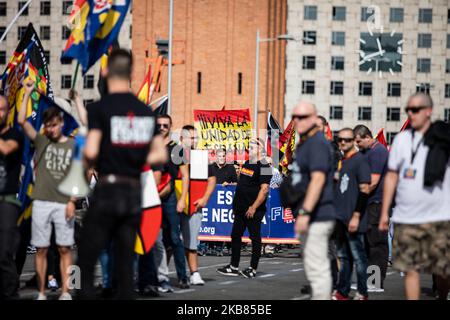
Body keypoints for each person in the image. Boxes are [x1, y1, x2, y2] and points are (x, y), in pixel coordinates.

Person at [77, 49, 167, 299]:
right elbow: (160, 155)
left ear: (105, 72)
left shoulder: (99, 109)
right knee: (125, 257)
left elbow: (92, 150)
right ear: (130, 73)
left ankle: (85, 294)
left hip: (108, 189)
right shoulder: (145, 111)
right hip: (133, 191)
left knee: (88, 249)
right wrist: (135, 158)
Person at [379, 93, 450, 300]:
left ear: (428, 111)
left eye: (416, 110)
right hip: (406, 216)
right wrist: (385, 212)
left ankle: (443, 294)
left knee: (443, 271)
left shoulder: (444, 138)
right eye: (408, 110)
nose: (411, 114)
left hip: (439, 216)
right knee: (411, 270)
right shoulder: (401, 139)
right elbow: (391, 175)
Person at [18, 80, 76, 300]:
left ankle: (66, 292)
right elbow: (22, 120)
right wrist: (27, 93)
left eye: (55, 124)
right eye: (48, 125)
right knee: (41, 249)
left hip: (63, 204)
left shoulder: (71, 145)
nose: (51, 128)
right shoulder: (41, 141)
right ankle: (41, 292)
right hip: (41, 202)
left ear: (62, 123)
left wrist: (71, 200)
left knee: (64, 248)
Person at [290, 101, 336, 300]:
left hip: (317, 214)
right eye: (295, 116)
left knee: (317, 269)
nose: (298, 121)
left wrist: (305, 212)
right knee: (313, 267)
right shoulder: (305, 143)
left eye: (303, 117)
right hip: (311, 214)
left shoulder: (317, 143)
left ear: (315, 118)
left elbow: (318, 179)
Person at [217, 138, 271, 278]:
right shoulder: (248, 163)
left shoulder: (265, 166)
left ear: (260, 149)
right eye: (249, 147)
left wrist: (253, 207)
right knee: (235, 236)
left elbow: (264, 190)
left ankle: (252, 268)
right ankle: (234, 267)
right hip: (240, 209)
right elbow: (243, 184)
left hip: (253, 210)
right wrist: (230, 184)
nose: (250, 150)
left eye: (253, 147)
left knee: (255, 238)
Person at [332, 128, 371, 300]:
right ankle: (343, 291)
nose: (343, 142)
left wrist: (356, 215)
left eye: (347, 140)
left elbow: (365, 190)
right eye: (340, 139)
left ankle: (362, 292)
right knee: (344, 257)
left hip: (354, 218)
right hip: (340, 218)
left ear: (353, 140)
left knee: (359, 258)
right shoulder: (343, 161)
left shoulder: (360, 161)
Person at [154, 115, 190, 289]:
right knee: (155, 240)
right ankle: (155, 276)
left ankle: (183, 276)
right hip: (151, 197)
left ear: (170, 127)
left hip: (170, 199)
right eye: (159, 125)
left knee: (175, 238)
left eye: (165, 125)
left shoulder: (176, 149)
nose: (162, 127)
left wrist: (182, 199)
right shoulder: (151, 147)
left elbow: (185, 175)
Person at [179, 125, 216, 285]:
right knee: (168, 243)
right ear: (182, 138)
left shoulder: (201, 157)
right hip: (173, 205)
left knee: (192, 242)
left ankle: (194, 274)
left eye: (195, 137)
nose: (193, 140)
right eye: (190, 137)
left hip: (194, 206)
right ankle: (162, 275)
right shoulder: (174, 155)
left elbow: (212, 179)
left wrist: (205, 199)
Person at [354, 124, 389, 292]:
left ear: (367, 137)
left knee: (376, 244)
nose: (357, 145)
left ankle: (376, 282)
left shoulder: (378, 152)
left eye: (359, 141)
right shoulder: (369, 151)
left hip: (377, 203)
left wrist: (357, 197)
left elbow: (373, 181)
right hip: (370, 203)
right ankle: (370, 280)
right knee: (368, 243)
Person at [0, 95, 23, 300]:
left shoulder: (14, 134)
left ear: (8, 112)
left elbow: (6, 149)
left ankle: (11, 294)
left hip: (6, 201)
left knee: (4, 254)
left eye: (1, 109)